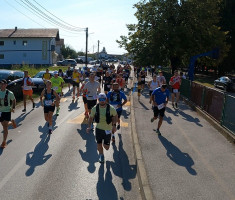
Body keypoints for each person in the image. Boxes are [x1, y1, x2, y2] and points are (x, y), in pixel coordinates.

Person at [86, 93, 117, 163]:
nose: (102, 101)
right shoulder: (95, 108)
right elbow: (91, 118)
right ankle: (101, 156)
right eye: (100, 99)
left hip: (107, 130)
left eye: (103, 99)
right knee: (98, 143)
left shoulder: (111, 108)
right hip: (98, 129)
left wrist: (114, 125)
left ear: (106, 99)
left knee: (106, 147)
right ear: (98, 100)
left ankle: (104, 145)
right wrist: (89, 127)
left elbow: (115, 116)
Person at [0, 79, 16, 148]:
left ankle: (4, 142)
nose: (1, 85)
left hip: (7, 111)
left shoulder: (10, 93)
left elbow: (14, 100)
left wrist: (13, 107)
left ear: (6, 85)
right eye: (0, 84)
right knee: (3, 124)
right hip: (0, 111)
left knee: (5, 127)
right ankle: (12, 123)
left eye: (3, 84)